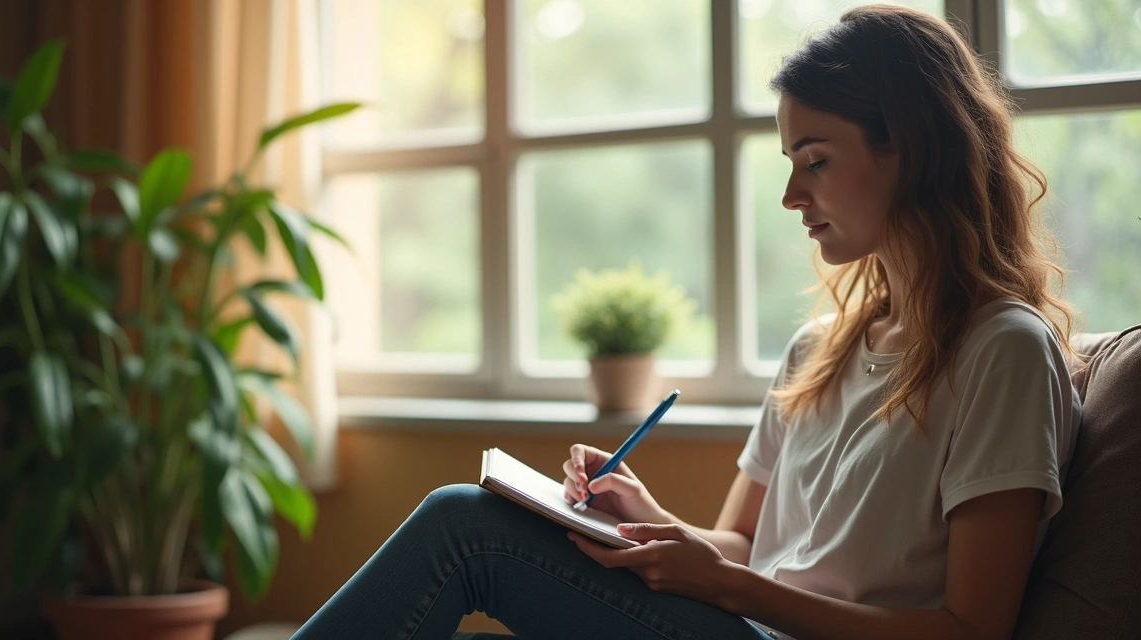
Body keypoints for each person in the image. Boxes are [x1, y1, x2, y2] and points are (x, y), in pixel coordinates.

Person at [292, 5, 1082, 639]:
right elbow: (743, 547)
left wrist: (735, 589)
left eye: (816, 160)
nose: (791, 197)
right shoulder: (820, 349)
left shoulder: (1002, 350)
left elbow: (973, 628)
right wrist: (650, 521)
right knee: (471, 518)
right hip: (741, 619)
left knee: (462, 526)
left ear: (909, 150)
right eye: (788, 164)